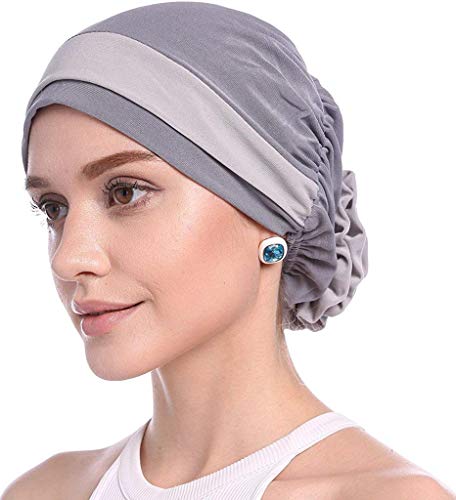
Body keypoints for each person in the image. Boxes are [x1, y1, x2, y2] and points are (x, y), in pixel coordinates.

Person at [3, 3, 454, 499]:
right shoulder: (43, 491)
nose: (68, 259)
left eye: (125, 192)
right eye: (53, 208)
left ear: (270, 208)